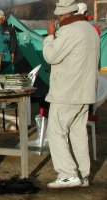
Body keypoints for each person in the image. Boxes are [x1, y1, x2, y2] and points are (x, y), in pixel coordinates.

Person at [43, 0, 100, 189]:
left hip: (68, 91)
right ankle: (84, 174)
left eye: (59, 17)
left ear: (65, 15)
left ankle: (67, 173)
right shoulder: (91, 30)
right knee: (78, 133)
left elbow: (51, 56)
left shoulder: (69, 31)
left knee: (56, 130)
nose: (58, 20)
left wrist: (50, 36)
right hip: (86, 92)